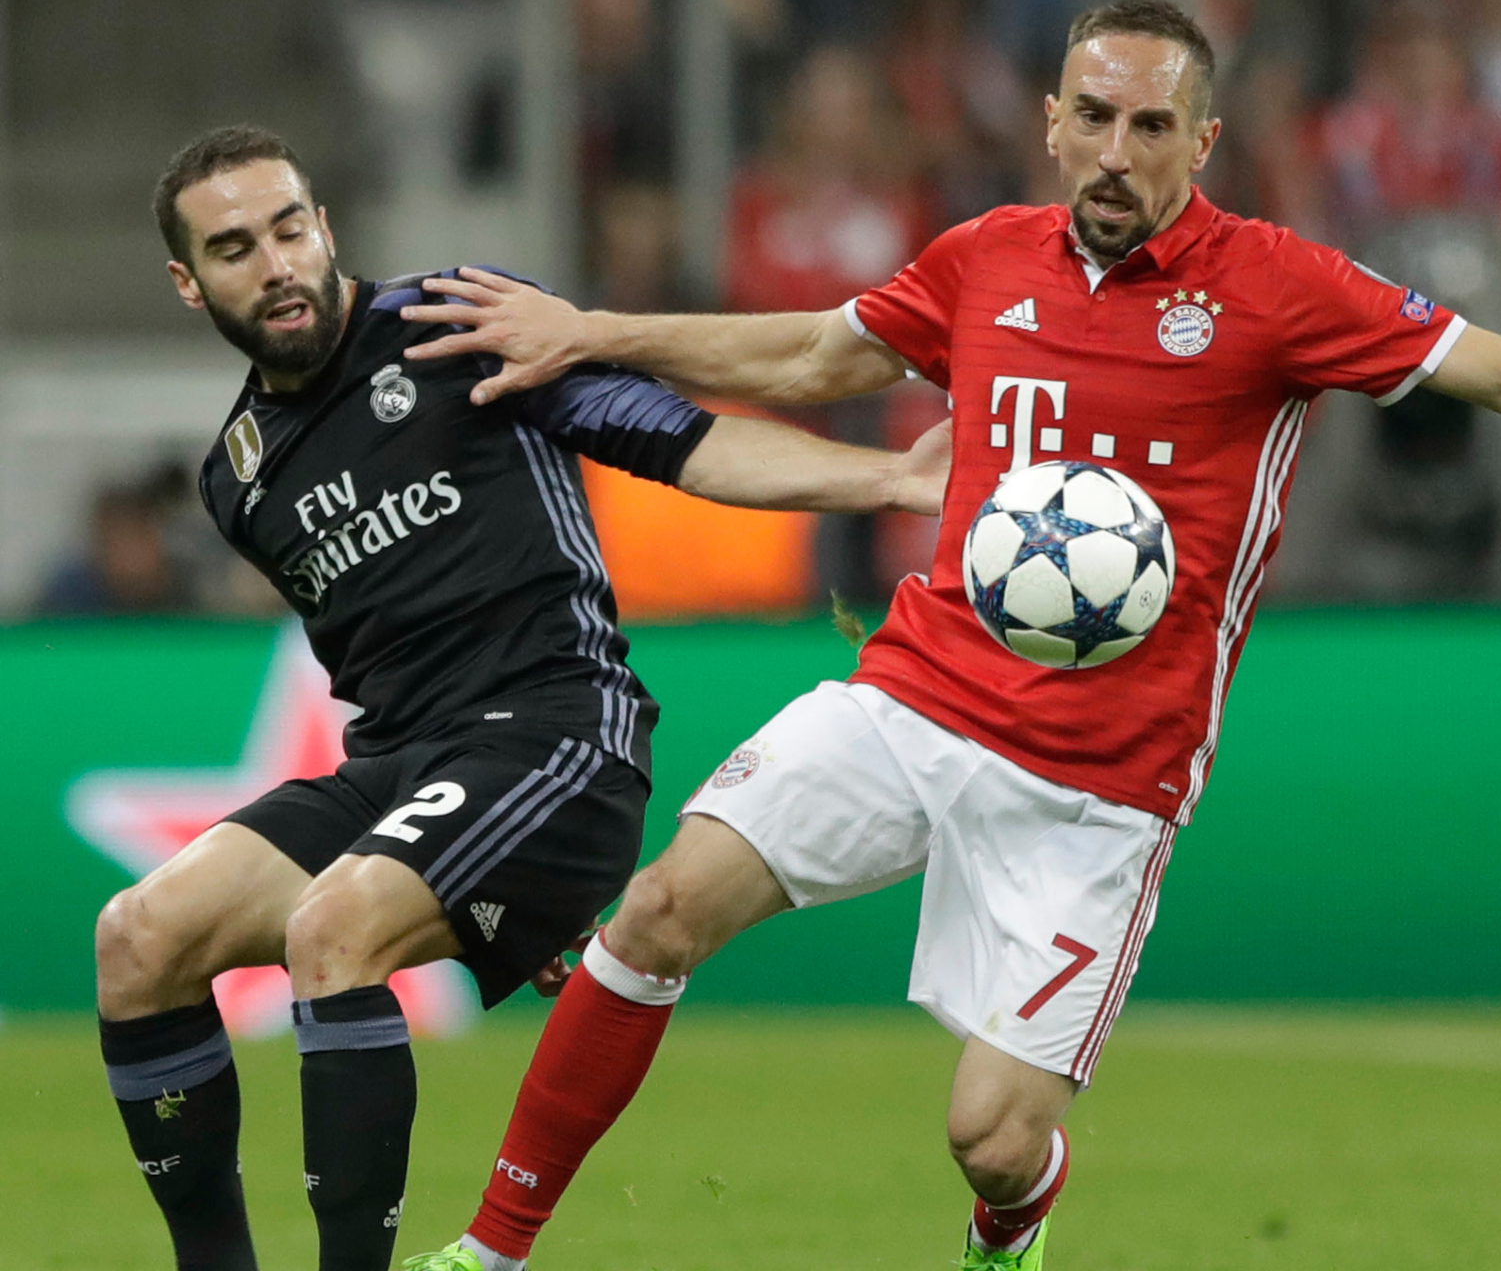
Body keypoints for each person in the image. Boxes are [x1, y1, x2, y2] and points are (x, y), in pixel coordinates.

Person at [397, 2, 1501, 1271]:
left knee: (988, 1136)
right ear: (1051, 122)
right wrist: (592, 331)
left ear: (1202, 144)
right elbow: (812, 352)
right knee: (661, 909)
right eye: (1094, 116)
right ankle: (491, 1250)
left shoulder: (1279, 290)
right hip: (916, 697)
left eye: (1152, 127)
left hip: (1097, 791)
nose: (1117, 152)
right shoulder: (984, 258)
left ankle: (1015, 1223)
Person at [93, 124, 947, 1271]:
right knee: (137, 939)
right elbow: (379, 656)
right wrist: (484, 876)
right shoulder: (238, 478)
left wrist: (891, 478)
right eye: (236, 248)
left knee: (333, 928)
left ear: (326, 227)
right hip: (405, 770)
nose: (277, 264)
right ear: (189, 283)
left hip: (558, 735)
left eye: (290, 229)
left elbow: (679, 443)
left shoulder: (457, 326)